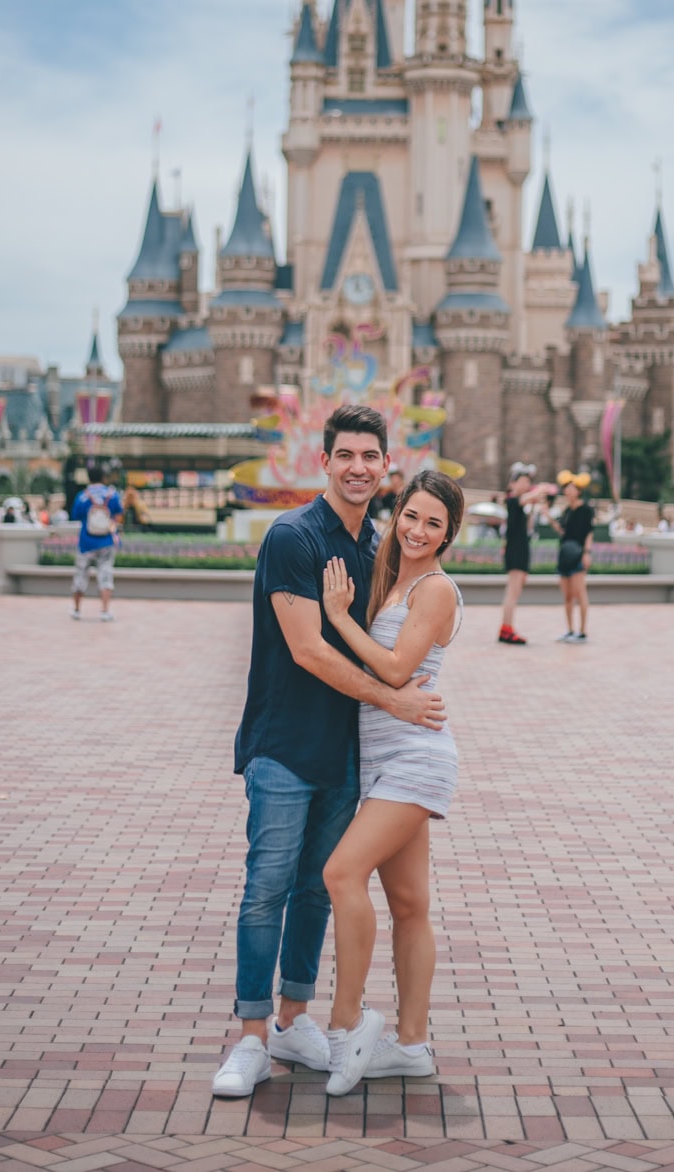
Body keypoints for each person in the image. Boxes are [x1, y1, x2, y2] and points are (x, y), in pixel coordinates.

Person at [212, 404, 446, 1101]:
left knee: (318, 888)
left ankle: (293, 1020)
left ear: (385, 465)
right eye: (345, 455)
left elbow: (406, 630)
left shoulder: (380, 545)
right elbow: (309, 648)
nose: (357, 468)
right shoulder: (294, 536)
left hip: (348, 753)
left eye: (370, 457)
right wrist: (395, 699)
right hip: (284, 743)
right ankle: (252, 1036)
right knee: (268, 889)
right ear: (324, 461)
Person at [319, 469, 465, 1094]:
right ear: (398, 510)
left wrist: (339, 618)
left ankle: (346, 1024)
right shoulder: (390, 574)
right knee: (409, 905)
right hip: (381, 755)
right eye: (413, 515)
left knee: (340, 873)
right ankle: (411, 1045)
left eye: (435, 524)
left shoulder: (435, 589)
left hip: (415, 756)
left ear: (448, 534)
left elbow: (399, 669)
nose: (419, 530)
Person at [547, 471, 595, 643]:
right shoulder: (567, 510)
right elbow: (562, 531)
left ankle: (582, 632)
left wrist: (587, 553)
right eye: (566, 488)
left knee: (580, 593)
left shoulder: (586, 509)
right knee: (567, 596)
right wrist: (547, 515)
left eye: (572, 488)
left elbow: (589, 532)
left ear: (579, 490)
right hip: (565, 555)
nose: (568, 491)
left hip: (578, 554)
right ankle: (569, 630)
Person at [70, 478, 124, 621]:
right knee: (106, 575)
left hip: (86, 542)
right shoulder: (112, 495)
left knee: (81, 575)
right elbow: (119, 514)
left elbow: (75, 515)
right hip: (106, 542)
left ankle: (77, 609)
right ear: (104, 478)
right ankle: (105, 611)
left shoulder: (83, 495)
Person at [497, 462, 535, 645]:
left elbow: (528, 527)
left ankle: (507, 627)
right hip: (516, 550)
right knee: (512, 592)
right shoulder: (512, 500)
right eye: (524, 480)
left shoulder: (520, 504)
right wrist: (541, 491)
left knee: (515, 591)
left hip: (520, 549)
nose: (527, 484)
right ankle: (506, 629)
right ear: (514, 483)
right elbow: (526, 498)